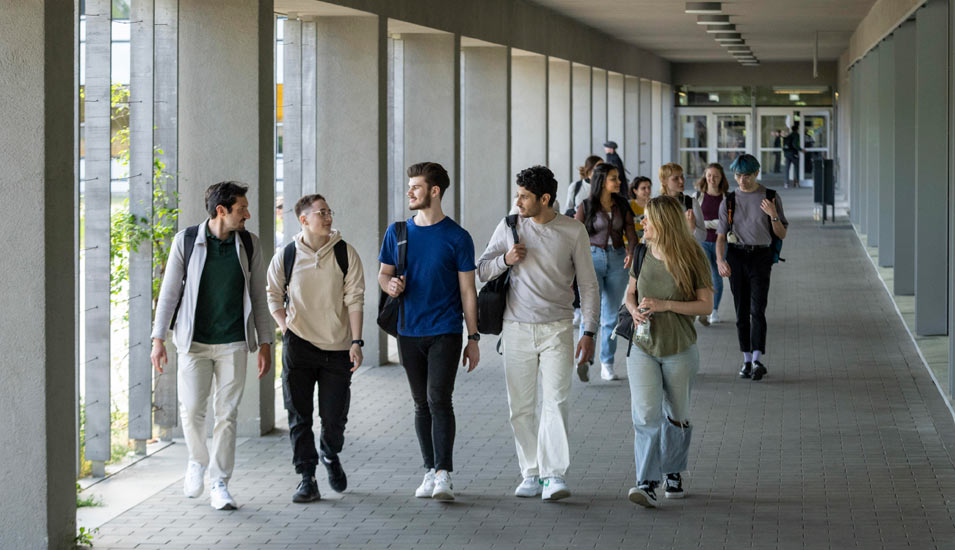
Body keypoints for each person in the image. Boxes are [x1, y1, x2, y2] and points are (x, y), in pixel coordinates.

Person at [477, 165, 599, 501]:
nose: (518, 202)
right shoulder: (510, 226)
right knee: (521, 406)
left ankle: (554, 475)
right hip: (515, 329)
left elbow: (588, 284)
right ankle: (530, 472)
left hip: (558, 328)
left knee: (556, 402)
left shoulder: (573, 231)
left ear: (545, 199)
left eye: (524, 196)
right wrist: (506, 258)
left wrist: (589, 331)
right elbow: (483, 270)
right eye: (517, 195)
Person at [150, 181, 273, 511]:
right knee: (191, 411)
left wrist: (265, 342)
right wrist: (157, 339)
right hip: (193, 343)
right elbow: (169, 294)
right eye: (241, 209)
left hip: (233, 341)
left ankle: (220, 482)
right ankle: (197, 461)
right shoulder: (187, 241)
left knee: (227, 415)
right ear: (222, 210)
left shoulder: (249, 244)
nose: (247, 214)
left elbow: (259, 295)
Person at [378, 161, 480, 501]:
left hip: (446, 330)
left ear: (434, 191)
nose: (410, 191)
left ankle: (444, 474)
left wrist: (473, 337)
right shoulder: (398, 232)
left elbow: (468, 290)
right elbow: (383, 274)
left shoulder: (458, 237)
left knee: (439, 398)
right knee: (420, 403)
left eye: (416, 186)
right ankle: (428, 471)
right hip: (408, 331)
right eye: (410, 186)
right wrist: (390, 285)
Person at [266, 194, 365, 503]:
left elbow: (355, 298)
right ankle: (306, 478)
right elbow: (271, 294)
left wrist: (356, 341)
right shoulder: (287, 255)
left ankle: (330, 453)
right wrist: (286, 327)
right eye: (321, 213)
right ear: (304, 219)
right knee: (299, 416)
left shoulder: (345, 253)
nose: (328, 217)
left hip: (337, 348)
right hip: (299, 346)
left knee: (334, 418)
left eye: (329, 211)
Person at [623, 195, 714, 508]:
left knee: (676, 415)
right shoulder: (641, 252)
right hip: (643, 346)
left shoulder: (693, 256)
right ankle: (646, 482)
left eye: (647, 219)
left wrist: (666, 305)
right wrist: (633, 310)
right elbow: (630, 293)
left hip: (679, 347)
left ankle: (673, 470)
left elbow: (706, 305)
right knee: (646, 415)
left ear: (662, 222)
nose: (642, 223)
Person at [716, 154, 788, 381]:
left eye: (746, 175)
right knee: (741, 311)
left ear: (756, 173)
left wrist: (773, 215)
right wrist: (720, 260)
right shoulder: (728, 200)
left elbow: (782, 234)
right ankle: (746, 359)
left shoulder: (770, 197)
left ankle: (757, 359)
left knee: (757, 309)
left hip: (761, 256)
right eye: (738, 175)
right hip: (736, 256)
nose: (742, 180)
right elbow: (720, 237)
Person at [574, 163, 637, 382]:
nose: (619, 182)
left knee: (611, 315)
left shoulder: (621, 204)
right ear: (602, 181)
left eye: (618, 178)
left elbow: (630, 229)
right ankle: (583, 357)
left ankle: (607, 362)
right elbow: (574, 233)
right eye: (614, 178)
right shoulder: (586, 205)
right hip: (592, 259)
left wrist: (631, 251)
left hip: (618, 259)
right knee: (590, 310)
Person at [692, 164, 729, 325]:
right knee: (707, 276)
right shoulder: (697, 197)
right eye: (709, 176)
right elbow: (692, 222)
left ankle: (713, 310)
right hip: (702, 242)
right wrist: (716, 223)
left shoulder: (727, 198)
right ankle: (703, 308)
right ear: (705, 177)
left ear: (721, 178)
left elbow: (728, 223)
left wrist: (706, 224)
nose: (712, 179)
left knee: (717, 276)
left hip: (721, 243)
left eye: (716, 176)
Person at [659, 162, 706, 246]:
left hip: (686, 255)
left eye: (682, 177)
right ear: (664, 181)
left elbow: (703, 237)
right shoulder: (656, 205)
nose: (681, 181)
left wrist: (692, 228)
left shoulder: (691, 203)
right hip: (662, 255)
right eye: (675, 178)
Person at [629, 176, 652, 243]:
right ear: (635, 191)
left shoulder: (655, 205)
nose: (647, 191)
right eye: (643, 188)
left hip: (649, 245)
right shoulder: (628, 205)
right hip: (631, 245)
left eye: (649, 187)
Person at [783, 123, 802, 188]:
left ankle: (786, 183)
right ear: (797, 129)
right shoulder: (796, 135)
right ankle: (797, 183)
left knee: (787, 169)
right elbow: (795, 145)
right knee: (796, 168)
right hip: (793, 154)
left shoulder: (789, 135)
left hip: (787, 154)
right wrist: (801, 150)